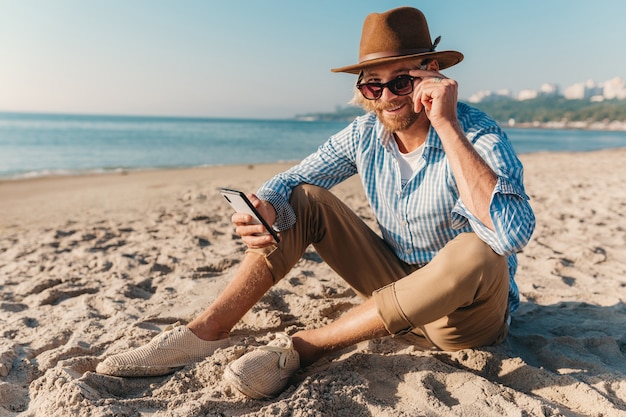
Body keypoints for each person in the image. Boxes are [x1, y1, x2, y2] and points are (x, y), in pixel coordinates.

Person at [96, 6, 535, 399]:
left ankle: (306, 348)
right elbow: (294, 179)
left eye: (401, 81)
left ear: (432, 74)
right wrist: (265, 207)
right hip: (393, 289)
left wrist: (446, 124)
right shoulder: (366, 135)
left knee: (478, 247)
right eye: (373, 86)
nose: (386, 97)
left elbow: (511, 234)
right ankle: (206, 331)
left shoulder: (476, 134)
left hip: (464, 322)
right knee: (303, 198)